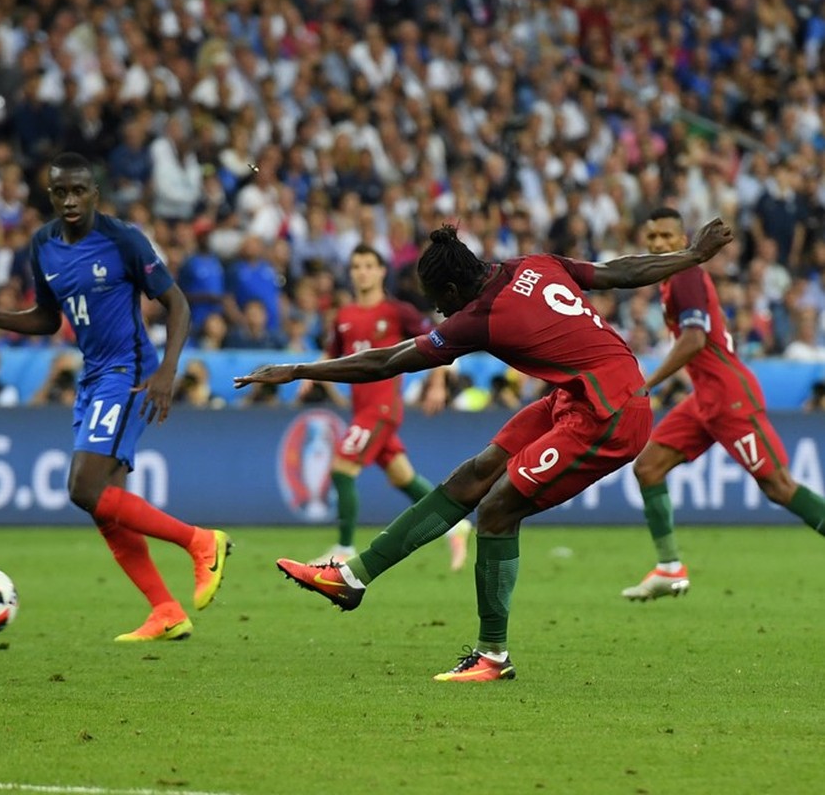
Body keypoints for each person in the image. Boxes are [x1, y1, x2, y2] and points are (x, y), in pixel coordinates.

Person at [234, 218, 734, 682]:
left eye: (437, 300)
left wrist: (299, 370)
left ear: (452, 290)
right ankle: (352, 576)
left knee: (497, 509)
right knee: (474, 475)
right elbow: (618, 272)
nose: (437, 311)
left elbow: (387, 362)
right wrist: (691, 254)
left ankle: (492, 654)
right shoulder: (533, 264)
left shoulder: (479, 318)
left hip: (611, 413)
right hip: (577, 395)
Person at [0, 152, 230, 642]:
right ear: (50, 194)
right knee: (103, 502)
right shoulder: (42, 245)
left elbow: (178, 304)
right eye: (60, 192)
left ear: (94, 194)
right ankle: (165, 610)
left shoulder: (121, 239)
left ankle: (201, 541)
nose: (69, 200)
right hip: (94, 376)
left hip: (128, 374)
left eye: (78, 191)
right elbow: (47, 317)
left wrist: (168, 371)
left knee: (84, 488)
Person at [623, 208, 825, 600]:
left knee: (779, 486)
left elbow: (695, 339)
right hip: (705, 400)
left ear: (683, 241)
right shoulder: (670, 281)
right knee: (648, 467)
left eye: (667, 236)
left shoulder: (685, 275)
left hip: (730, 396)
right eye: (653, 238)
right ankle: (668, 568)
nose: (659, 244)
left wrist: (647, 383)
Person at [304, 243, 472, 571]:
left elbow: (439, 340)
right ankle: (455, 525)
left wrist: (437, 383)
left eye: (368, 265)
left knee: (342, 468)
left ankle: (343, 548)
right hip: (361, 409)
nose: (362, 272)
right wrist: (308, 373)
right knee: (403, 477)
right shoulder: (344, 316)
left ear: (382, 271)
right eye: (356, 266)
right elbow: (333, 355)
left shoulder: (397, 312)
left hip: (381, 408)